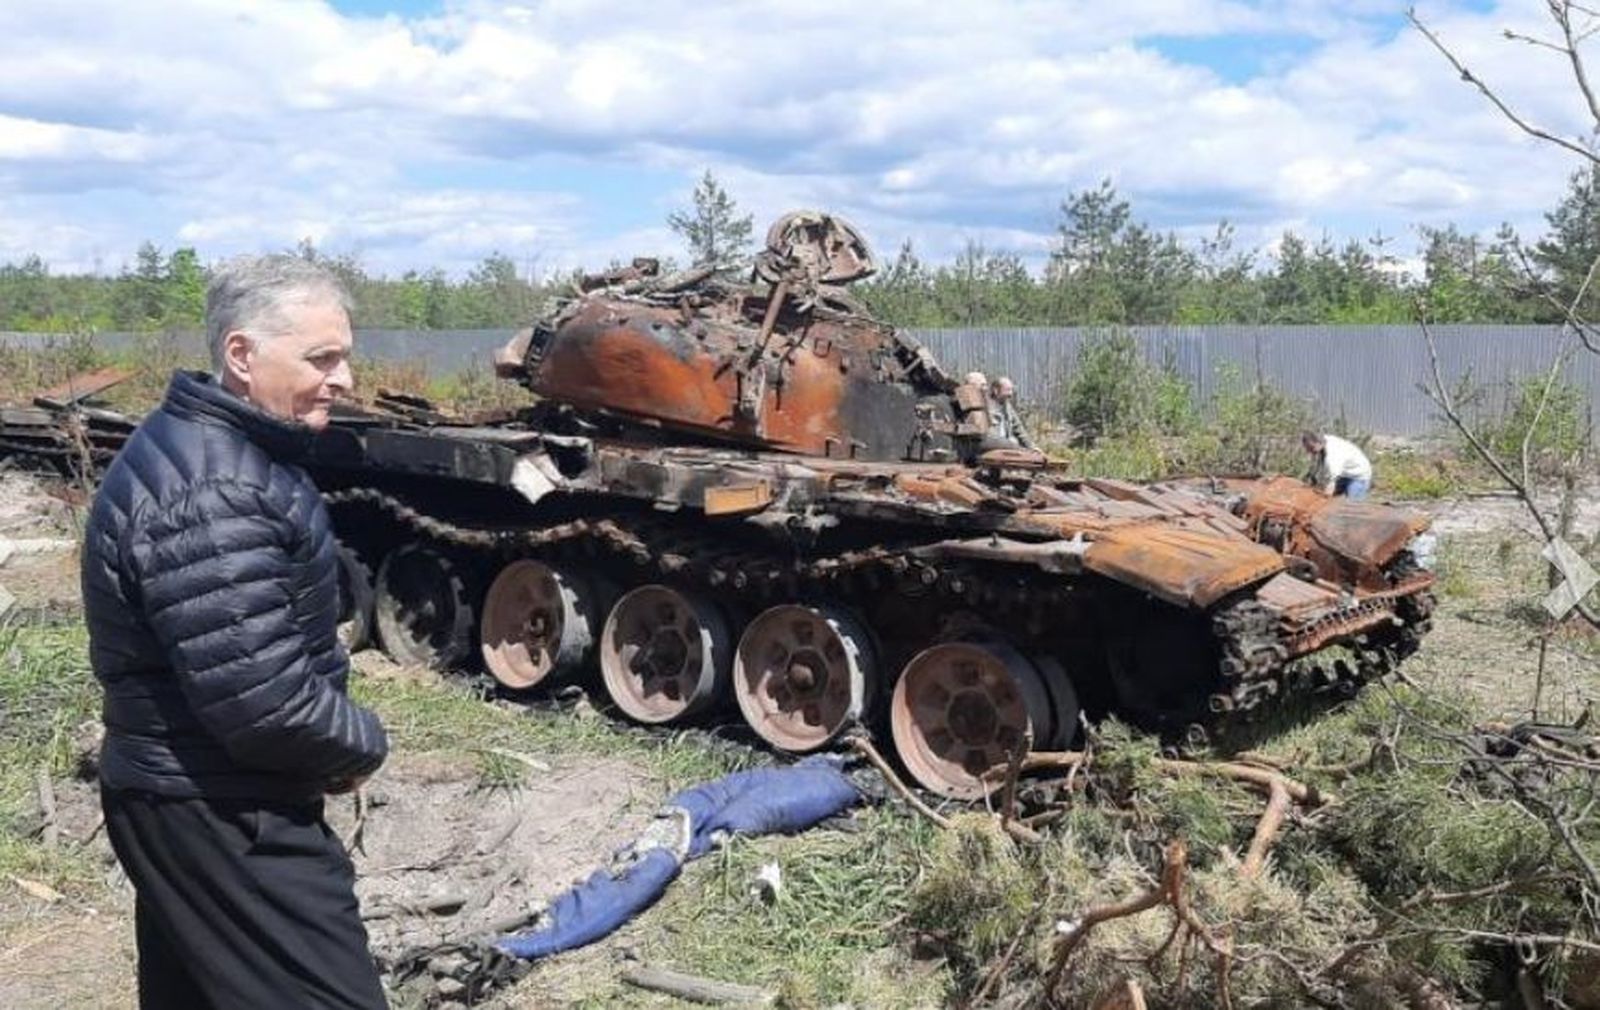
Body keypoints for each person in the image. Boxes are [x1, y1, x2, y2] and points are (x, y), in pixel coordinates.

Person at [82, 256, 390, 1010]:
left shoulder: (220, 452)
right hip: (220, 807)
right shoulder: (215, 488)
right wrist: (360, 744)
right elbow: (264, 702)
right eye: (322, 358)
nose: (344, 378)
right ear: (242, 356)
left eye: (343, 355)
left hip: (185, 793)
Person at [1301, 430, 1372, 499]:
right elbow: (1319, 467)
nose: (1309, 451)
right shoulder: (1323, 441)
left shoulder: (1333, 456)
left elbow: (1331, 482)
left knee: (1352, 506)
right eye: (1307, 448)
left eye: (1311, 448)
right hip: (1344, 472)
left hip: (1359, 475)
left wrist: (1326, 498)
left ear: (1319, 443)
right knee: (1322, 492)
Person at [988, 376, 1036, 450]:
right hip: (993, 447)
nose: (1010, 394)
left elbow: (1019, 429)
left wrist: (1032, 447)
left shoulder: (1007, 407)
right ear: (996, 390)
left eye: (1011, 390)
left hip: (1007, 446)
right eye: (1007, 390)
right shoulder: (986, 407)